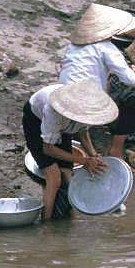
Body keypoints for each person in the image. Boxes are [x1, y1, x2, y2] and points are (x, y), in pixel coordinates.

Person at [59, 3, 135, 159]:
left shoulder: (72, 46)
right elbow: (130, 81)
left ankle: (80, 131)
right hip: (88, 106)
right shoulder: (107, 48)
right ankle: (116, 147)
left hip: (63, 102)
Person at [23, 80, 115, 220]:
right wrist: (84, 160)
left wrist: (94, 156)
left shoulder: (87, 112)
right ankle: (45, 223)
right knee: (54, 178)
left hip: (64, 125)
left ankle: (70, 218)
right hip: (35, 121)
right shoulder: (54, 110)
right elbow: (48, 149)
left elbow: (84, 134)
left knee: (68, 175)